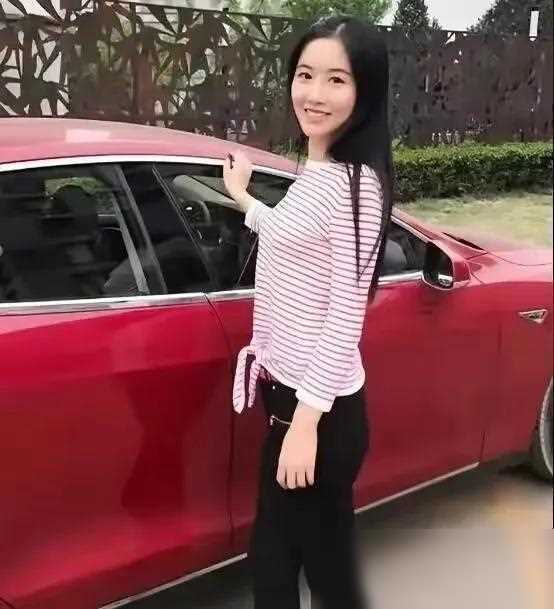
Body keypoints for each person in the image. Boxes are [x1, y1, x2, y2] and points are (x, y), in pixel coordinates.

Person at [223, 14, 394, 609]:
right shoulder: (319, 171)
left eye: (336, 80)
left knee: (296, 571)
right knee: (296, 565)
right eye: (305, 75)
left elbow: (346, 317)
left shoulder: (355, 186)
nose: (314, 94)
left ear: (364, 92)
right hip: (294, 406)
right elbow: (291, 234)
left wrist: (304, 425)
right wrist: (243, 199)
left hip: (318, 414)